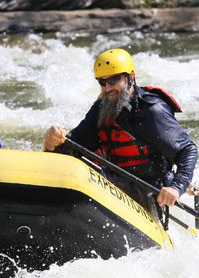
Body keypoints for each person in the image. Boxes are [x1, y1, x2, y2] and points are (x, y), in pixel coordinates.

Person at [44, 48, 197, 214]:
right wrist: (54, 143)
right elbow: (74, 148)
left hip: (149, 191)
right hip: (113, 182)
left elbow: (187, 149)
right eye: (102, 82)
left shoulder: (152, 111)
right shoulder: (100, 109)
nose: (107, 87)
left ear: (130, 77)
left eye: (114, 80)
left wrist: (176, 187)